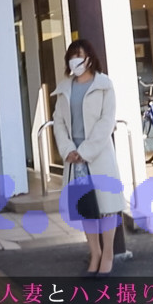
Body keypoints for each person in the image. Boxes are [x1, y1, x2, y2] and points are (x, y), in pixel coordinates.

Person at [51, 39, 125, 277]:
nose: (75, 61)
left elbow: (107, 121)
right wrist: (68, 150)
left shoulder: (104, 85)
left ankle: (108, 254)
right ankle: (94, 253)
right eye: (71, 57)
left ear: (89, 58)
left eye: (79, 55)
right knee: (86, 208)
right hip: (74, 158)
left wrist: (86, 151)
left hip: (98, 154)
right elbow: (59, 123)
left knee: (107, 207)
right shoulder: (64, 88)